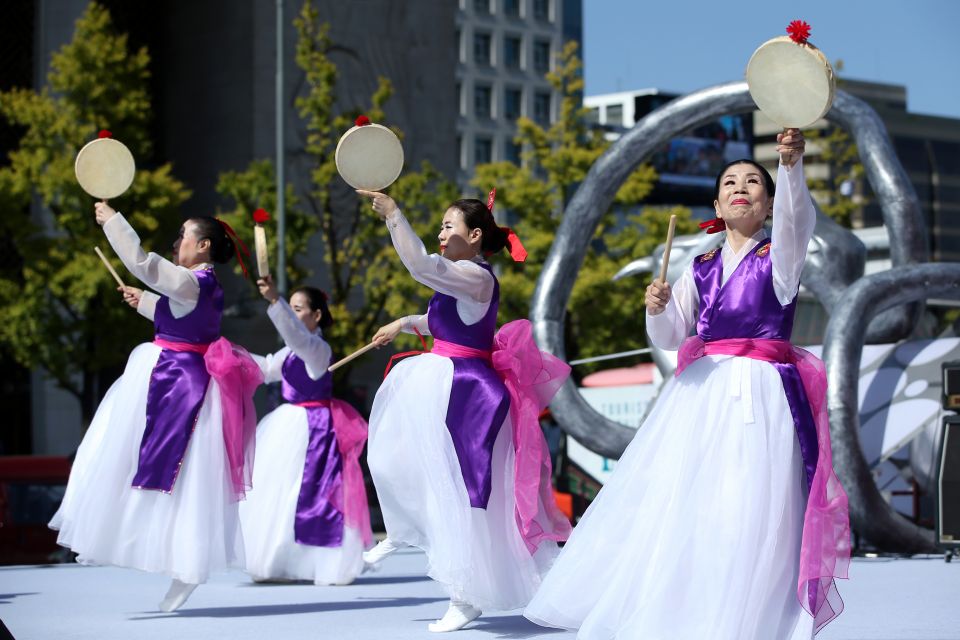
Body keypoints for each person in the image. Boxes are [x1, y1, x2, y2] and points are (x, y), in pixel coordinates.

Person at [524, 129, 849, 639]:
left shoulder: (781, 259)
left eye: (753, 182)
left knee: (754, 507)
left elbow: (796, 221)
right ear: (716, 204)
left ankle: (751, 621)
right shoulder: (699, 267)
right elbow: (671, 335)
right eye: (730, 182)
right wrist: (655, 309)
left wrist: (790, 168)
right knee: (688, 505)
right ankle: (683, 614)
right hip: (700, 393)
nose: (740, 187)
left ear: (768, 205)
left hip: (760, 393)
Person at [357, 189, 571, 633]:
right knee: (399, 461)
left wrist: (394, 214)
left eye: (448, 226)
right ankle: (402, 529)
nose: (440, 233)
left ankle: (465, 596)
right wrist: (403, 324)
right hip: (443, 381)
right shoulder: (459, 279)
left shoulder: (476, 277)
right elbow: (443, 321)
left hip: (468, 392)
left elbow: (420, 266)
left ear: (474, 236)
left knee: (468, 496)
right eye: (439, 226)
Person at [49, 203, 262, 613]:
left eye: (184, 235)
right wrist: (146, 302)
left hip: (176, 381)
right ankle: (172, 560)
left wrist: (113, 221)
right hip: (177, 376)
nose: (177, 241)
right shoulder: (201, 284)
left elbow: (143, 264)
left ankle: (171, 559)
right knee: (172, 475)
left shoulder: (189, 281)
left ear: (203, 245)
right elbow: (183, 314)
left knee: (138, 463)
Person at [239, 276, 371, 585]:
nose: (293, 314)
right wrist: (228, 353)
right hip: (289, 426)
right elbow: (266, 368)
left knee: (309, 494)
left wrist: (276, 302)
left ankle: (315, 564)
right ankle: (278, 562)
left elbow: (299, 340)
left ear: (317, 315)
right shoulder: (290, 351)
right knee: (280, 493)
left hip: (315, 430)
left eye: (297, 309)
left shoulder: (318, 349)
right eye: (291, 308)